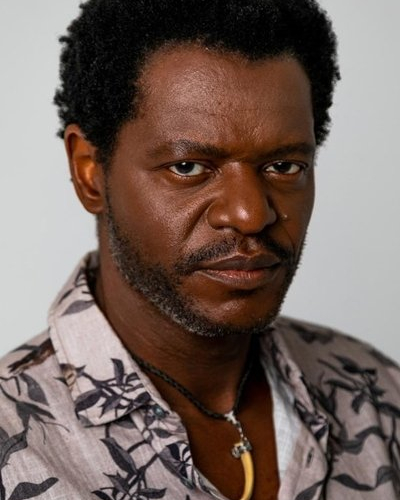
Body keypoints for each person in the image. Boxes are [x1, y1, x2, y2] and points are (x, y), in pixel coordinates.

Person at [0, 0, 399, 499]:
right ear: (89, 171)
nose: (250, 214)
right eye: (188, 167)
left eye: (284, 167)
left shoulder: (376, 396)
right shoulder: (14, 443)